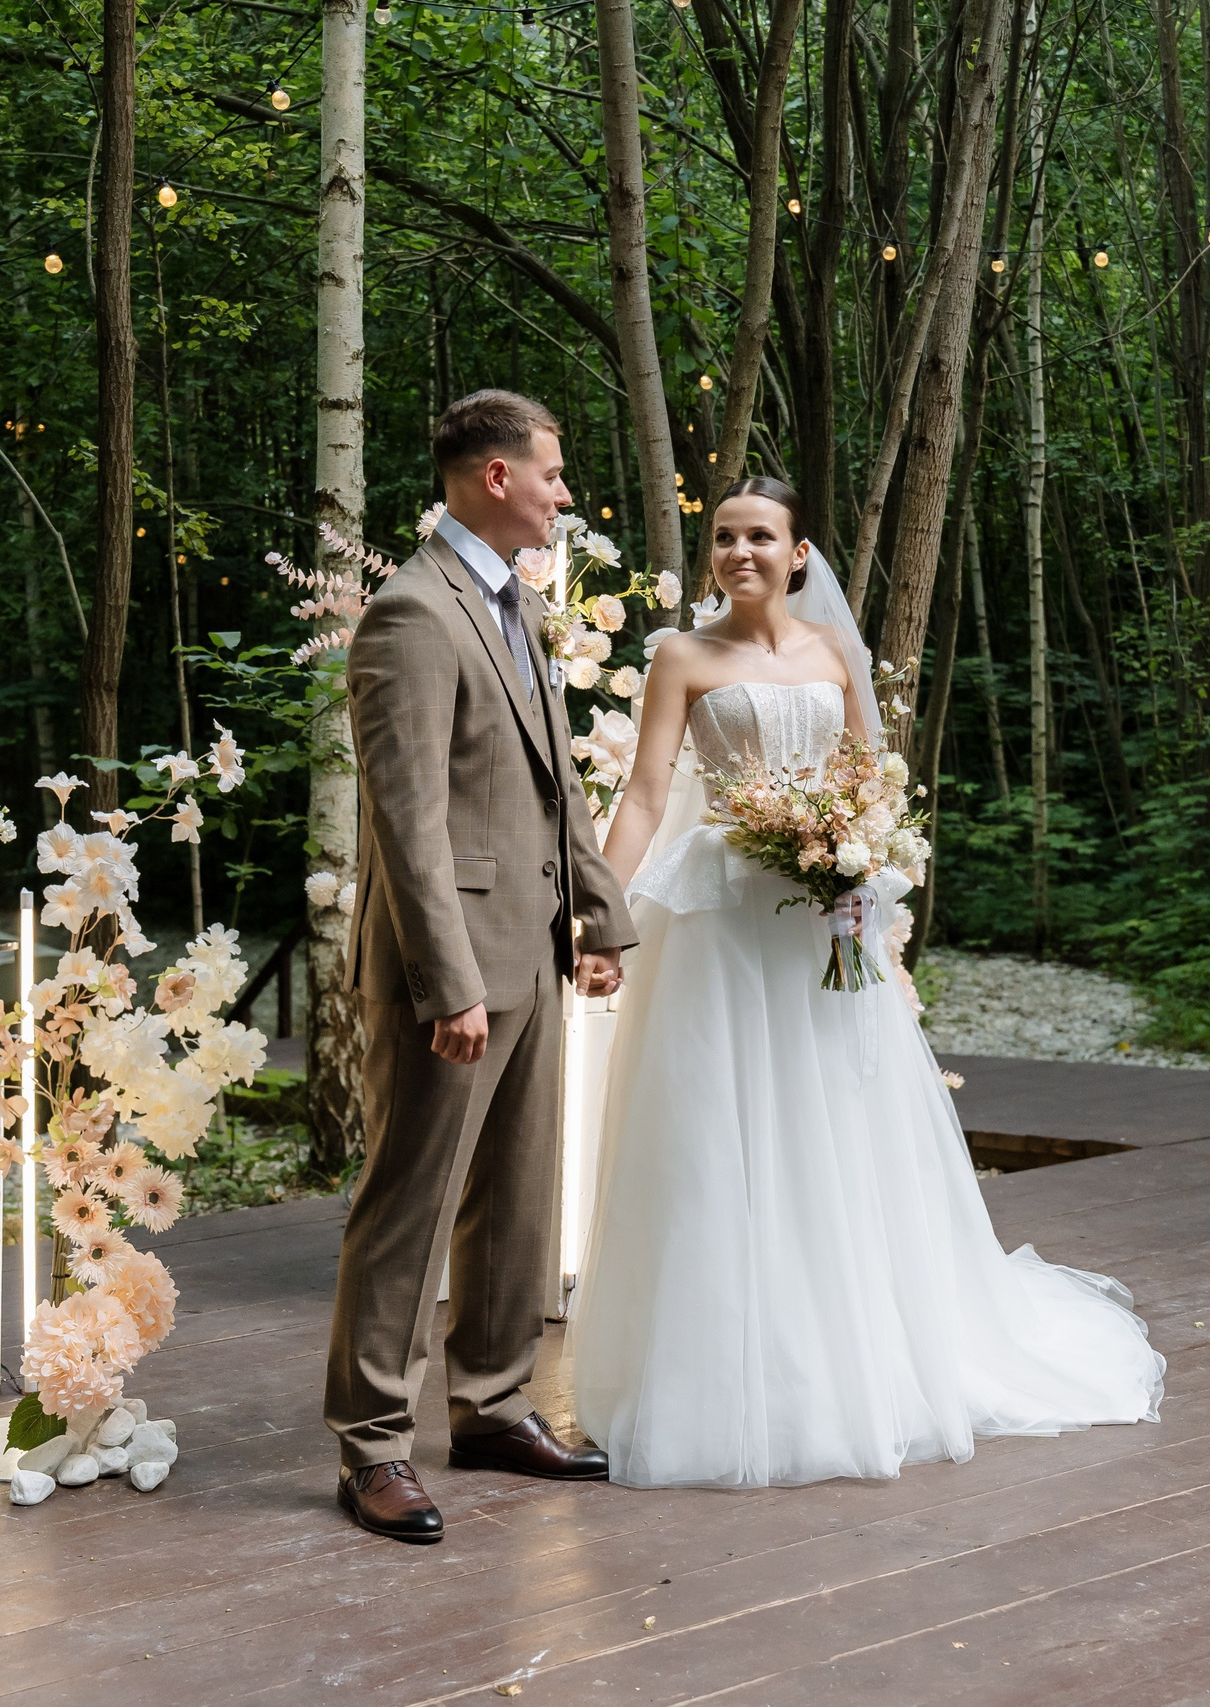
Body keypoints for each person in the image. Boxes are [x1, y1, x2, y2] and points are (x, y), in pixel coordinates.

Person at [563, 476, 1164, 1489]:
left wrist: (861, 873)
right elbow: (649, 793)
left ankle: (860, 1356)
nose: (739, 552)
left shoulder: (831, 650)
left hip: (819, 926)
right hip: (721, 924)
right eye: (723, 538)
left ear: (799, 554)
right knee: (718, 1131)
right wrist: (601, 914)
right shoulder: (680, 655)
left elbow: (867, 785)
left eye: (761, 537)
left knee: (833, 1128)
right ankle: (723, 1369)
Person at [324, 390, 636, 1543]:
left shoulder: (515, 607)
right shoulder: (412, 613)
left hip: (533, 948)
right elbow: (406, 821)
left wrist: (597, 918)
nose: (565, 494)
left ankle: (495, 1408)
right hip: (445, 966)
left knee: (518, 1195)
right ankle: (371, 1449)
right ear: (495, 478)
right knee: (411, 1201)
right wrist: (444, 980)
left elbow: (554, 784)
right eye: (552, 475)